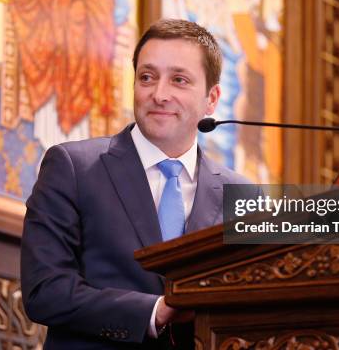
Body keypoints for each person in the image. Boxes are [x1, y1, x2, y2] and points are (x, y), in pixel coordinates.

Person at [21, 19, 249, 349]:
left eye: (179, 80)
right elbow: (45, 289)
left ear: (211, 99)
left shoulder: (241, 196)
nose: (159, 94)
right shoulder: (72, 168)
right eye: (147, 77)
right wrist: (153, 312)